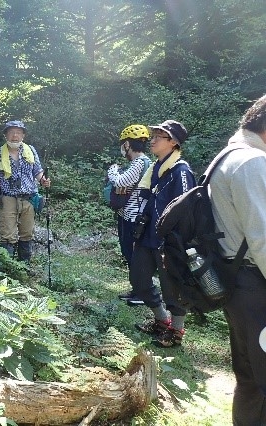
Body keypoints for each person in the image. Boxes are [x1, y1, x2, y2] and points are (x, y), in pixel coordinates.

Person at [209, 94, 266, 425]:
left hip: (238, 285)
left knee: (250, 382)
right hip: (256, 286)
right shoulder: (252, 162)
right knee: (259, 384)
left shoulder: (227, 156)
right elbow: (262, 239)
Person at [131, 120, 196, 347]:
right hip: (147, 234)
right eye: (154, 134)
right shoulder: (155, 168)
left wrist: (178, 241)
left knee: (173, 287)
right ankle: (161, 320)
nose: (153, 139)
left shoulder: (181, 171)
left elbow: (188, 206)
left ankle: (176, 331)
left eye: (160, 136)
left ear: (174, 143)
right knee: (138, 279)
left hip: (168, 240)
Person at [0, 120, 50, 264]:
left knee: (27, 233)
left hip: (29, 198)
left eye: (18, 132)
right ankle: (6, 268)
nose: (15, 135)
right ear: (6, 135)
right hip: (7, 198)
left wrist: (43, 180)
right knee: (7, 234)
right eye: (11, 132)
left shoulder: (30, 151)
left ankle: (23, 268)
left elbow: (37, 171)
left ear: (23, 135)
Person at [106, 124, 151, 305]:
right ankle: (137, 289)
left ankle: (142, 293)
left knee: (134, 254)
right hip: (129, 214)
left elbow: (120, 182)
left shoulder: (140, 162)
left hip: (134, 217)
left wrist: (112, 170)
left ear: (127, 144)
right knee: (129, 252)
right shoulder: (141, 162)